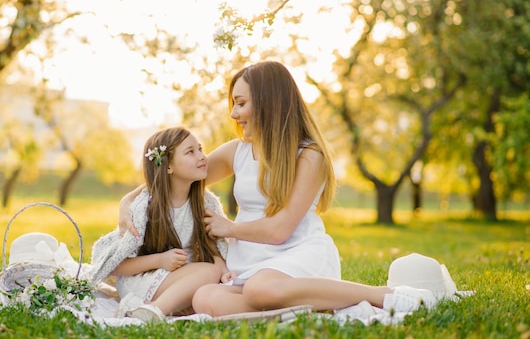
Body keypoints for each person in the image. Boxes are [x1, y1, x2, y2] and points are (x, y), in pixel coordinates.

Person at [118, 61, 437, 317]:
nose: (234, 114)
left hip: (297, 254)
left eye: (241, 103)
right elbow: (177, 175)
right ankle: (314, 305)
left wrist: (229, 228)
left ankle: (379, 295)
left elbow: (281, 230)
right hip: (251, 265)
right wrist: (128, 200)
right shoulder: (238, 151)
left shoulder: (308, 155)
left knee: (260, 291)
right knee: (205, 297)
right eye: (233, 104)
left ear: (269, 102)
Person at [88, 127, 231, 322]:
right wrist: (160, 260)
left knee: (211, 283)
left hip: (181, 278)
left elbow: (214, 246)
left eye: (201, 149)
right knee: (208, 272)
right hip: (143, 278)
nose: (202, 156)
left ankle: (170, 304)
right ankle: (152, 310)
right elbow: (117, 265)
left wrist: (224, 271)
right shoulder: (145, 207)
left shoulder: (205, 202)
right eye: (190, 152)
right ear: (168, 166)